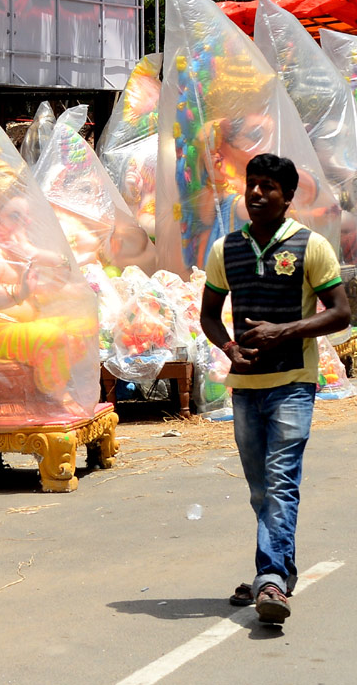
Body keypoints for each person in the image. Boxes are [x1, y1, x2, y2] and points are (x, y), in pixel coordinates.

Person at [200, 153, 350, 624]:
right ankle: (281, 571)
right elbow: (208, 313)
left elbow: (341, 313)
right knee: (260, 487)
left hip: (293, 385)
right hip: (245, 387)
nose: (257, 193)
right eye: (253, 185)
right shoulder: (226, 249)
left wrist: (282, 332)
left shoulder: (310, 247)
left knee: (281, 480)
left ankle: (268, 581)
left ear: (287, 197)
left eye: (268, 186)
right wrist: (228, 346)